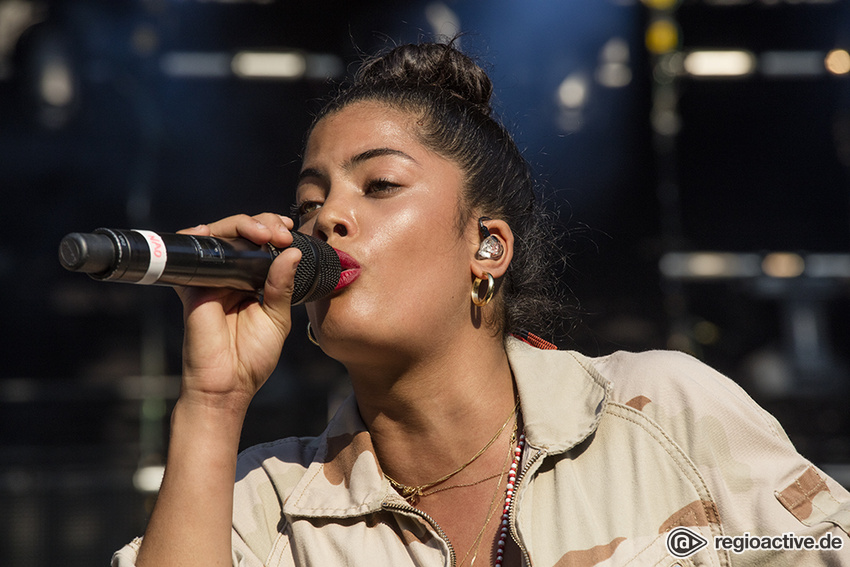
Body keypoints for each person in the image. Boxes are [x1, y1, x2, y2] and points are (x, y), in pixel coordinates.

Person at [112, 41, 849, 567]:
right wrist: (213, 402)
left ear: (487, 247)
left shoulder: (665, 415)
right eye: (309, 201)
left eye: (379, 186)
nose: (326, 219)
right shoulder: (264, 505)